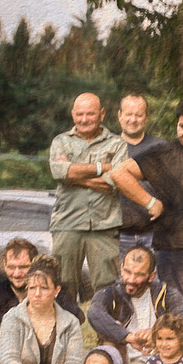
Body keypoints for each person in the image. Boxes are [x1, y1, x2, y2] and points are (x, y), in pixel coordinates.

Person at [0, 238, 85, 364]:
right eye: (11, 267)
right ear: (4, 266)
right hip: (17, 358)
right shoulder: (0, 290)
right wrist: (11, 327)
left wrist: (43, 318)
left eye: (23, 267)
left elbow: (77, 316)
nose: (17, 274)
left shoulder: (52, 291)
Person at [48, 92, 128, 299]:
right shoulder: (61, 142)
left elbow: (116, 180)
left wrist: (72, 176)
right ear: (73, 114)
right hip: (67, 223)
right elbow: (58, 171)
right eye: (79, 114)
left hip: (104, 225)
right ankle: (65, 331)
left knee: (107, 285)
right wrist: (103, 167)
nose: (84, 119)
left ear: (101, 114)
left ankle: (108, 331)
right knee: (62, 285)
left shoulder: (118, 144)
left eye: (90, 114)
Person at [107, 99, 183, 302]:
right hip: (171, 247)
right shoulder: (165, 154)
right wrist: (151, 202)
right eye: (182, 126)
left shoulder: (160, 146)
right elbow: (119, 172)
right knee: (173, 309)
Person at [87, 245, 183, 364]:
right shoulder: (111, 293)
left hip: (164, 361)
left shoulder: (167, 293)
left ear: (151, 276)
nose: (131, 279)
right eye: (127, 272)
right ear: (121, 269)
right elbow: (93, 313)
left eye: (139, 275)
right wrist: (128, 337)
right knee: (109, 340)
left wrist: (156, 333)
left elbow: (182, 318)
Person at [115, 92, 163, 253]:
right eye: (128, 114)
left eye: (138, 115)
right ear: (120, 115)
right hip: (117, 235)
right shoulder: (108, 147)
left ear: (146, 117)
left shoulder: (161, 147)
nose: (133, 120)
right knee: (121, 278)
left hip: (155, 233)